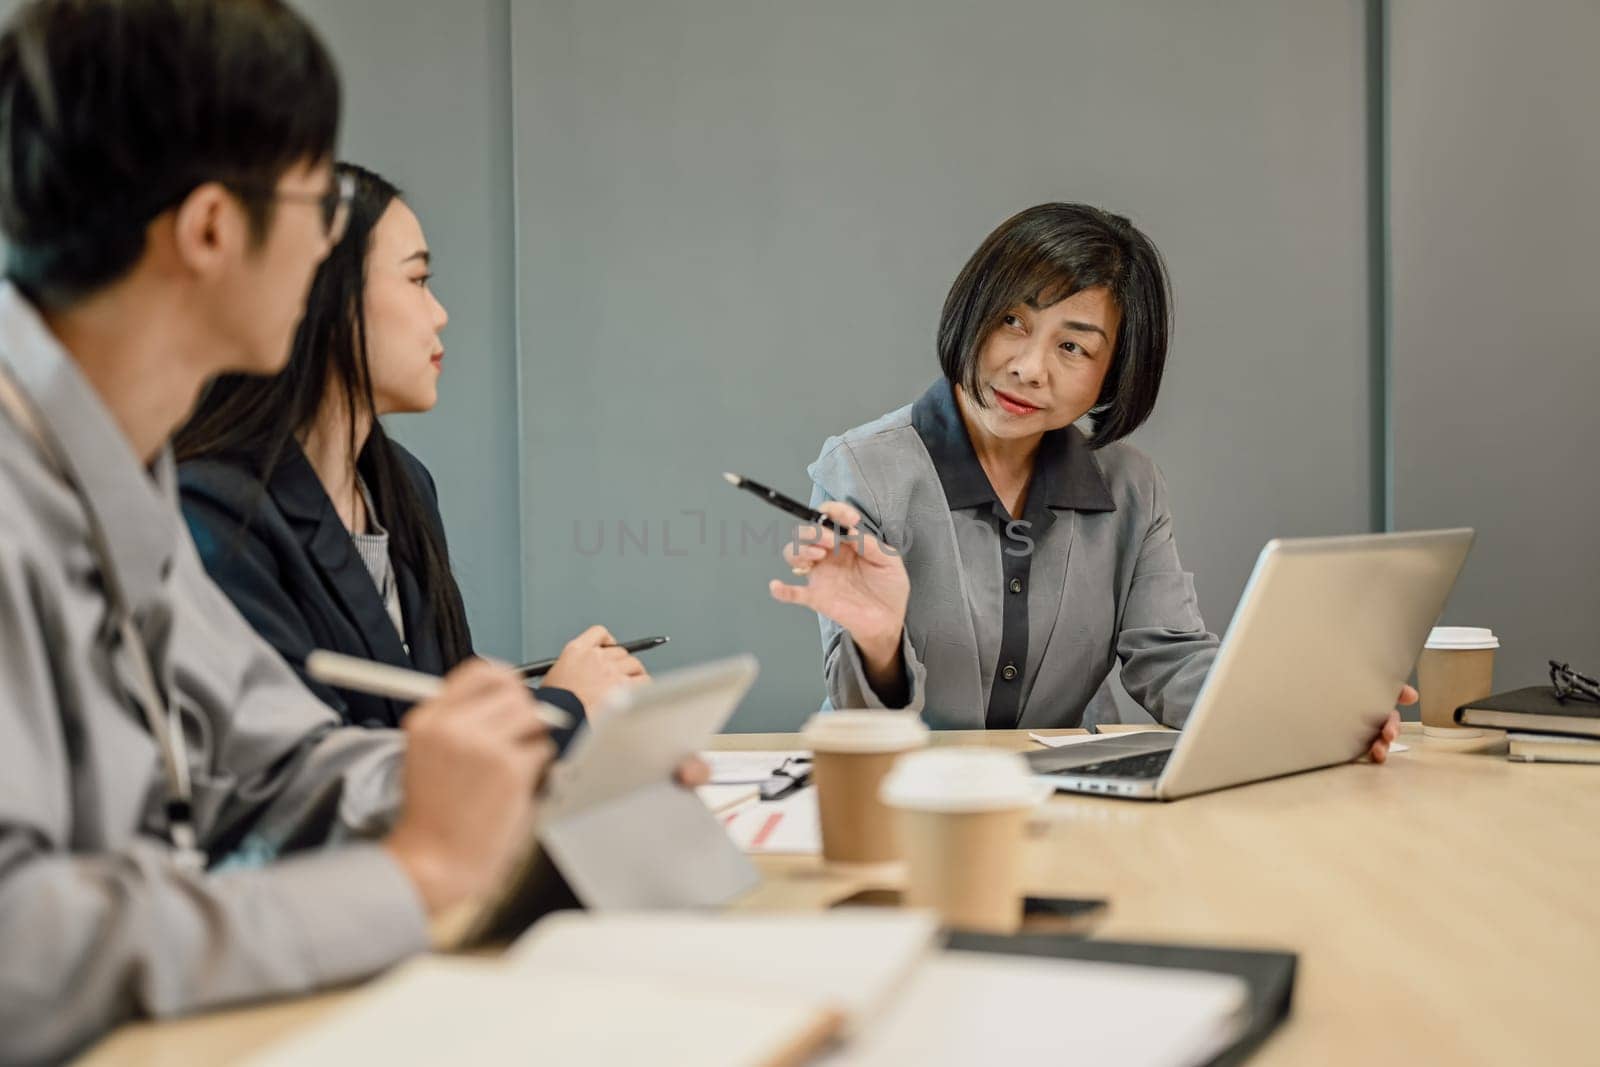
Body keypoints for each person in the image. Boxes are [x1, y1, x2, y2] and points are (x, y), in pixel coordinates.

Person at [0, 3, 696, 1060]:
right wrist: (407, 875)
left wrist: (542, 772)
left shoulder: (116, 466)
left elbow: (271, 757)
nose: (330, 237)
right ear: (210, 231)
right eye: (318, 199)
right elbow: (23, 952)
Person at [769, 203, 1409, 756]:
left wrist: (1303, 709)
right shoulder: (865, 469)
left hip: (1072, 799)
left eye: (1073, 347)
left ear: (1114, 372)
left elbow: (1172, 660)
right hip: (902, 796)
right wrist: (877, 644)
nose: (1028, 368)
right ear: (972, 312)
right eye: (1012, 321)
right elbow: (860, 723)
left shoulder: (1130, 486)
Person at [174, 163, 643, 729]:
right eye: (418, 281)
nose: (441, 314)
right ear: (323, 298)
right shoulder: (215, 513)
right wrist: (561, 711)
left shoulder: (404, 482)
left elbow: (445, 703)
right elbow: (321, 768)